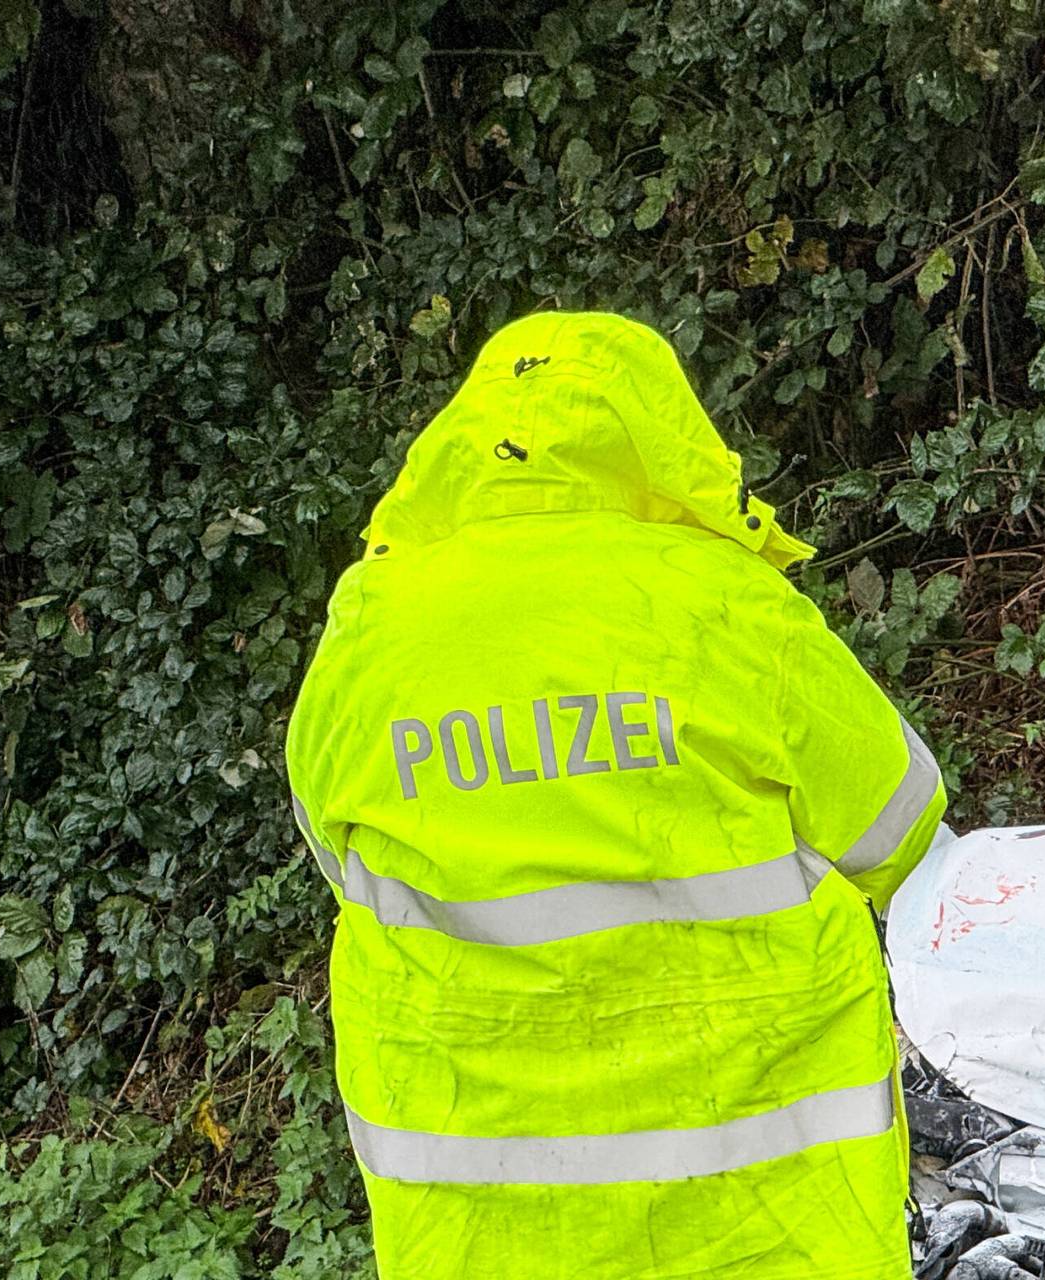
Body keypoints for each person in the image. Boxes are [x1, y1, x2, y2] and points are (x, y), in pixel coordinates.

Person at [286, 311, 946, 1278]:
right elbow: (900, 827)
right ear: (660, 437)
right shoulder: (727, 606)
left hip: (482, 1234)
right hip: (765, 1224)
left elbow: (337, 852)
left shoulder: (369, 631)